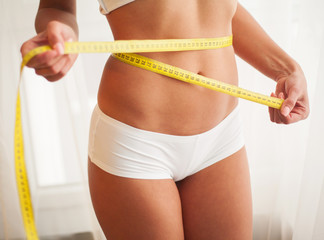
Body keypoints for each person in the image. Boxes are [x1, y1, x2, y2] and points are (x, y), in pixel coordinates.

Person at [20, 0, 309, 239]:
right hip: (137, 143)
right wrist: (59, 37)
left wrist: (285, 68)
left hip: (222, 137)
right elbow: (58, 8)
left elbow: (223, 9)